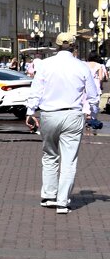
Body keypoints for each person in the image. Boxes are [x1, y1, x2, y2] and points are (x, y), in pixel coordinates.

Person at [25, 32, 101, 214]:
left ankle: (49, 196)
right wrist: (93, 113)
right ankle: (62, 201)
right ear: (74, 47)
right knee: (69, 160)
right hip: (73, 115)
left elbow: (36, 90)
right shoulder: (81, 67)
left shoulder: (45, 65)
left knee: (50, 155)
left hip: (49, 115)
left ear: (56, 45)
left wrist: (30, 111)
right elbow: (93, 96)